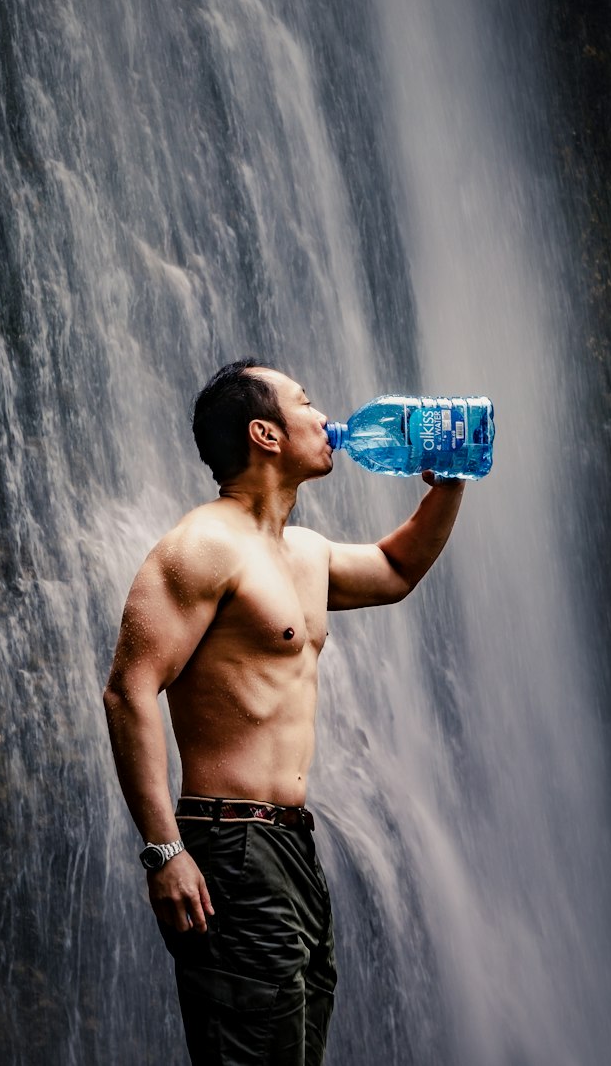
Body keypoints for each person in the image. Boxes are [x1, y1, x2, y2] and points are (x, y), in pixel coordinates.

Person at [102, 360, 466, 1065]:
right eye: (307, 402)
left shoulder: (302, 552)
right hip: (229, 843)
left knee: (294, 1048)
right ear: (266, 433)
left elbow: (397, 571)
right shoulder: (202, 547)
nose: (326, 416)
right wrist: (163, 850)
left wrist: (450, 481)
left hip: (292, 846)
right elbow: (128, 690)